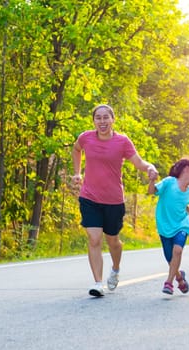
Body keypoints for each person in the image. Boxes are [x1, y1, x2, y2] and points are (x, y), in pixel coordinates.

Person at [72, 104, 158, 297]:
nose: (102, 121)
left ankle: (116, 268)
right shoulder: (86, 137)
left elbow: (138, 162)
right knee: (94, 239)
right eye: (98, 118)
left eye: (106, 118)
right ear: (94, 121)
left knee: (113, 241)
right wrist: (77, 173)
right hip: (89, 197)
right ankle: (98, 283)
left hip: (113, 200)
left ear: (113, 120)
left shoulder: (122, 142)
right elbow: (76, 150)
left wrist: (150, 168)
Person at [148, 158, 189, 295]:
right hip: (164, 226)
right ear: (187, 169)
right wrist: (152, 180)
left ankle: (168, 283)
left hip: (182, 225)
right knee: (171, 259)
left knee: (177, 251)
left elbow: (186, 208)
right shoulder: (169, 182)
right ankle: (180, 278)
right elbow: (152, 191)